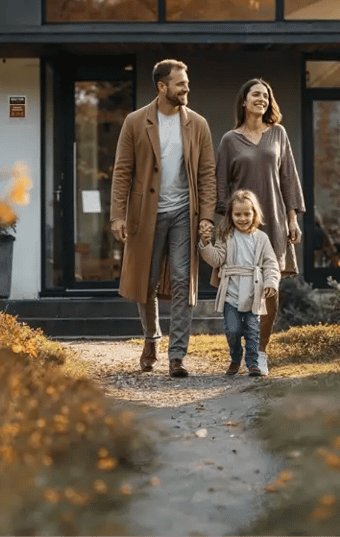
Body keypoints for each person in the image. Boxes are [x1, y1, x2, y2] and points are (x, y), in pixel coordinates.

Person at [110, 59, 217, 377]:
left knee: (184, 280)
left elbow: (207, 174)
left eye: (186, 82)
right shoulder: (135, 122)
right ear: (162, 86)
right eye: (180, 83)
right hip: (147, 213)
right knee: (147, 280)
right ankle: (151, 339)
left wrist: (207, 217)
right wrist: (117, 215)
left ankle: (177, 355)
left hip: (185, 212)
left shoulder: (198, 124)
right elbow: (122, 171)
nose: (186, 88)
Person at [216, 78, 305, 375]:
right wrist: (223, 225)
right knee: (239, 287)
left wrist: (293, 218)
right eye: (256, 95)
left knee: (270, 287)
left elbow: (289, 178)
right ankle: (239, 348)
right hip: (241, 227)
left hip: (275, 222)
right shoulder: (230, 140)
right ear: (244, 101)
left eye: (266, 96)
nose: (262, 99)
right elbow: (220, 186)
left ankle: (261, 352)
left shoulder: (278, 133)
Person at [198, 190, 280, 377]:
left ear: (254, 214)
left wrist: (271, 282)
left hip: (253, 293)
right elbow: (217, 260)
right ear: (231, 215)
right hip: (231, 293)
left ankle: (252, 364)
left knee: (252, 331)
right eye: (238, 214)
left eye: (247, 214)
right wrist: (205, 243)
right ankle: (236, 357)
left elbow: (271, 263)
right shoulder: (226, 235)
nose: (242, 218)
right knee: (233, 330)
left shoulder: (261, 238)